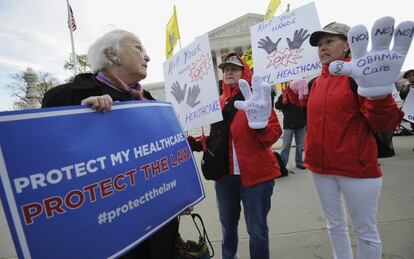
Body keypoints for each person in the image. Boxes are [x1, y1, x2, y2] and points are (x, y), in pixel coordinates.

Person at [42, 29, 179, 259]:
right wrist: (79, 119)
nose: (147, 57)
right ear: (112, 54)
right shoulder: (65, 98)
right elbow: (49, 168)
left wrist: (181, 193)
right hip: (108, 235)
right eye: (138, 48)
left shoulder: (153, 105)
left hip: (159, 233)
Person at [284, 18, 410, 259]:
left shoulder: (359, 76)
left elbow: (385, 123)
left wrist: (379, 94)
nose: (322, 48)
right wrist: (290, 94)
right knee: (334, 226)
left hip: (357, 169)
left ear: (348, 45)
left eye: (329, 41)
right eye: (319, 44)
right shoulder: (315, 82)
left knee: (365, 232)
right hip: (320, 169)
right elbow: (304, 114)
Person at [189, 53, 282, 259]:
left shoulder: (257, 98)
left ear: (244, 72)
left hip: (256, 177)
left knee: (257, 230)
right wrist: (194, 143)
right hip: (225, 177)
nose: (228, 72)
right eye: (225, 69)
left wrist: (260, 127)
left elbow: (274, 133)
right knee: (227, 226)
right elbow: (216, 139)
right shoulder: (218, 102)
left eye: (234, 69)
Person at [275, 91, 307, 170]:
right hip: (289, 125)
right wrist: (283, 97)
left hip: (301, 125)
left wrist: (306, 121)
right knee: (286, 146)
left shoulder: (301, 94)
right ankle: (283, 165)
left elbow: (305, 108)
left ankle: (299, 162)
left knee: (300, 145)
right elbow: (277, 106)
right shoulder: (285, 94)